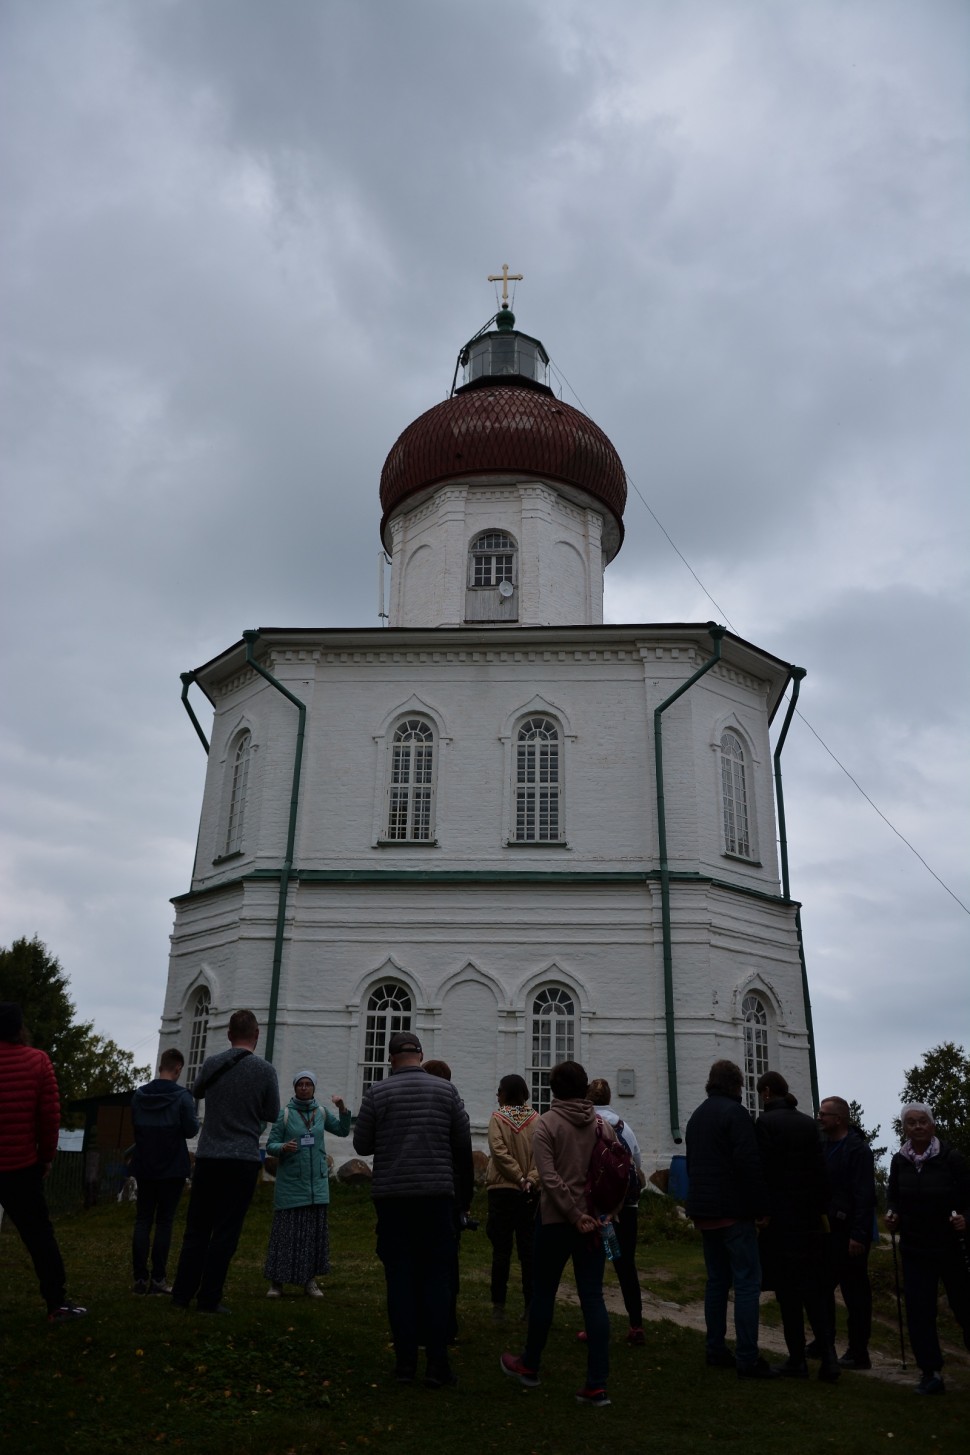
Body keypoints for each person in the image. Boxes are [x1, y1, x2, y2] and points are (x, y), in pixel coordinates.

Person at [352, 1030, 472, 1389]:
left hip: (393, 1199)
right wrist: (463, 1201)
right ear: (420, 1054)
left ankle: (405, 1365)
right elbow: (462, 1145)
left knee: (400, 1280)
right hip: (436, 1197)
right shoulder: (446, 1091)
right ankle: (437, 1365)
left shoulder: (377, 1093)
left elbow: (362, 1143)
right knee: (437, 1280)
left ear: (391, 1058)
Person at [500, 1060, 618, 1408]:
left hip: (555, 1222)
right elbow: (621, 1171)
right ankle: (597, 1384)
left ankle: (530, 1365)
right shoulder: (601, 1125)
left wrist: (574, 1214)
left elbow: (549, 1179)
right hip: (594, 1224)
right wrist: (606, 1212)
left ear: (552, 1090)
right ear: (584, 1089)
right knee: (593, 1299)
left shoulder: (547, 1124)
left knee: (544, 1294)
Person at [171, 1008, 280, 1314]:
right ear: (256, 1035)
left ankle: (181, 1294)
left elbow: (197, 1091)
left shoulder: (211, 1063)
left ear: (229, 1034)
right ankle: (209, 1298)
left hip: (208, 1155)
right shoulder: (265, 1070)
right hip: (242, 1158)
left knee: (197, 1229)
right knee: (226, 1231)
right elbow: (271, 1112)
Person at [684, 1059, 773, 1378]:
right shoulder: (736, 1115)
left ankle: (715, 1348)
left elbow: (692, 1162)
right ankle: (747, 1357)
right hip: (733, 1212)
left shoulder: (697, 1116)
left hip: (705, 1212)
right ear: (737, 1086)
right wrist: (761, 1207)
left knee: (717, 1282)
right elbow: (749, 1165)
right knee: (748, 1284)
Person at [0, 1002, 86, 1324]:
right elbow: (50, 1119)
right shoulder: (38, 1062)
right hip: (21, 1168)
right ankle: (56, 1304)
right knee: (39, 1237)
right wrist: (46, 1158)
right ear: (19, 1028)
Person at [755, 1071, 839, 1382]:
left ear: (766, 1093)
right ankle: (829, 1359)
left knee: (788, 1293)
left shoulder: (765, 1124)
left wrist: (762, 1212)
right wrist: (820, 1209)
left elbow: (764, 1171)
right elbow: (821, 1171)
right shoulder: (807, 1123)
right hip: (809, 1221)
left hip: (781, 1222)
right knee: (815, 1292)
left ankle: (796, 1360)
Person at [886, 1102, 970, 1395]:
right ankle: (930, 1372)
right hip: (915, 1248)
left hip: (950, 1247)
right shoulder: (899, 1161)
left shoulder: (951, 1159)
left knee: (964, 1307)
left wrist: (966, 1219)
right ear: (905, 1128)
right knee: (920, 1312)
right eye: (911, 1122)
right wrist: (892, 1214)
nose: (917, 1126)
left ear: (932, 1126)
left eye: (922, 1121)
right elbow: (893, 1197)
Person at [264, 1071, 350, 1298]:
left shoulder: (321, 1112)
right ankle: (276, 1282)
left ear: (314, 1088)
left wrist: (342, 1108)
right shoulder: (285, 1114)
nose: (304, 1088)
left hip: (316, 1184)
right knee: (285, 1234)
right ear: (294, 1088)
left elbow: (342, 1130)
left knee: (312, 1234)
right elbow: (270, 1144)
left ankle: (309, 1281)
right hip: (291, 1183)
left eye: (308, 1084)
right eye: (300, 1084)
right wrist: (283, 1147)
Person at [129, 1047, 200, 1295]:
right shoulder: (182, 1097)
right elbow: (191, 1130)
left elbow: (135, 1125)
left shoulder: (140, 1095)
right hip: (171, 1166)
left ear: (161, 1065)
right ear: (178, 1068)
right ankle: (158, 1279)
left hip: (145, 1163)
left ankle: (139, 1279)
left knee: (143, 1220)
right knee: (164, 1222)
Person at [815, 1095, 876, 1369]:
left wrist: (859, 1234)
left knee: (855, 1294)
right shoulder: (823, 1145)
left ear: (838, 1118)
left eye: (824, 1114)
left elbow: (864, 1195)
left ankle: (858, 1351)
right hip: (828, 1230)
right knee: (821, 1287)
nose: (819, 1117)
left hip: (849, 1231)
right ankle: (824, 1341)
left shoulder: (857, 1150)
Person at [587, 1077, 645, 1345]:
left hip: (597, 1209)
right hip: (625, 1209)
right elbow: (637, 1165)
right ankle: (636, 1325)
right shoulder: (625, 1127)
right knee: (625, 1266)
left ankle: (594, 1326)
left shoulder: (588, 1126)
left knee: (593, 1267)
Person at [422, 1058, 475, 1343]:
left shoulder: (419, 1111)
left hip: (420, 1196)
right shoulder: (457, 1111)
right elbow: (465, 1159)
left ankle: (420, 1322)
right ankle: (446, 1324)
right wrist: (466, 1199)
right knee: (446, 1264)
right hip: (450, 1196)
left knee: (419, 1261)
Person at [486, 1073, 539, 1322]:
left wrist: (517, 1177)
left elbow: (498, 1151)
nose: (497, 1095)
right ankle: (530, 1306)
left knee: (501, 1250)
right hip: (529, 1191)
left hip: (502, 1190)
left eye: (499, 1090)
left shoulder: (498, 1119)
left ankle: (498, 1305)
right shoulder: (536, 1119)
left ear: (507, 1093)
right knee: (528, 1252)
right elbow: (543, 1155)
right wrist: (530, 1179)